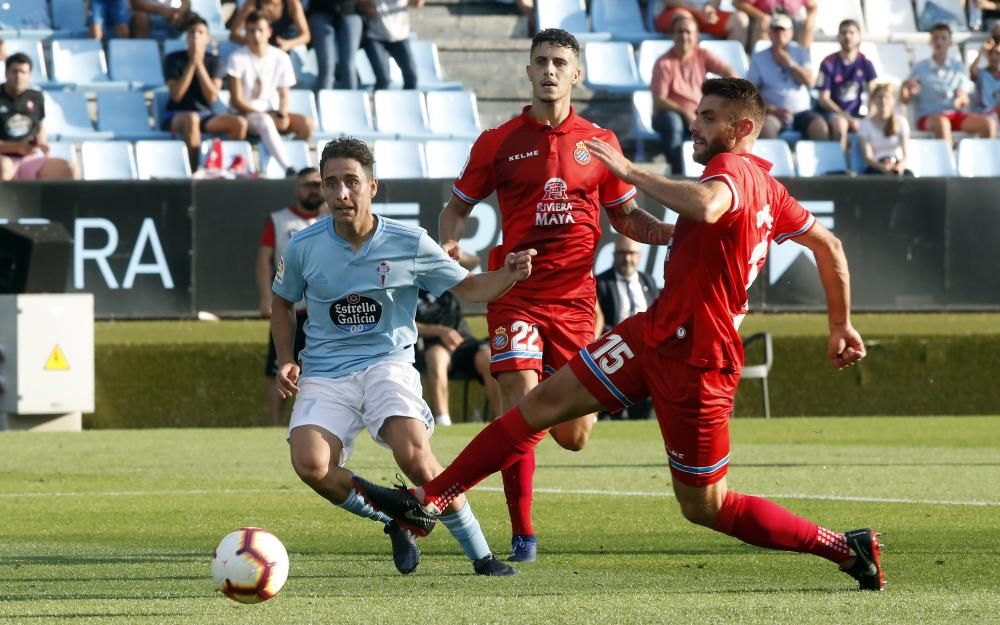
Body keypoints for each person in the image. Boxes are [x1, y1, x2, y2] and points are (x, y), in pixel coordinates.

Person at [353, 77, 885, 593]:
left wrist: (629, 169)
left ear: (742, 127)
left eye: (707, 117)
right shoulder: (771, 188)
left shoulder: (733, 169)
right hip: (651, 332)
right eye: (697, 114)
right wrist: (839, 324)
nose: (694, 125)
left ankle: (843, 547)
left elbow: (707, 205)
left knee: (705, 506)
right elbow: (829, 247)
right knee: (535, 407)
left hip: (699, 359)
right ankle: (426, 503)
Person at [437, 28, 673, 563]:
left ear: (576, 74)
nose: (549, 70)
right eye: (540, 60)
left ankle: (521, 447)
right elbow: (456, 208)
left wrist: (671, 233)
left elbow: (627, 218)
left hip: (575, 303)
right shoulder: (496, 141)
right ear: (527, 71)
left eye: (559, 62)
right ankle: (523, 535)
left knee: (573, 436)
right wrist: (450, 241)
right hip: (514, 292)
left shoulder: (601, 143)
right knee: (518, 402)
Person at [272, 137, 535, 576]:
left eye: (351, 182)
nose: (341, 193)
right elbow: (282, 302)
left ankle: (481, 555)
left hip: (387, 364)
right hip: (324, 373)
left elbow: (469, 288)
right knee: (311, 464)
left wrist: (507, 275)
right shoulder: (304, 247)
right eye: (331, 183)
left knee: (414, 456)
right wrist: (286, 356)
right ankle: (395, 516)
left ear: (373, 186)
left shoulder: (409, 242)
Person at [258, 167, 327, 425]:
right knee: (278, 366)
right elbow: (264, 259)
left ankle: (314, 421)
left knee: (320, 371)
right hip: (288, 305)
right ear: (297, 189)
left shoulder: (333, 220)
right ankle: (275, 423)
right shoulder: (279, 220)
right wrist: (266, 298)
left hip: (322, 311)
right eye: (307, 184)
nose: (313, 189)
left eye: (317, 184)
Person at [227, 11, 314, 177]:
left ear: (269, 32)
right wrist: (266, 114)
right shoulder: (236, 58)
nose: (256, 35)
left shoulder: (280, 57)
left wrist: (282, 113)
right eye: (251, 31)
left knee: (307, 124)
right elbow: (237, 100)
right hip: (245, 113)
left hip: (271, 111)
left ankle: (279, 160)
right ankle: (288, 168)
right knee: (265, 121)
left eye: (260, 30)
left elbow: (284, 94)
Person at [650, 13, 737, 174]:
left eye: (688, 32)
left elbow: (728, 71)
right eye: (680, 31)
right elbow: (659, 101)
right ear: (672, 35)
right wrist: (685, 112)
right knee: (672, 122)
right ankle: (677, 172)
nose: (684, 36)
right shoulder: (663, 63)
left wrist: (730, 90)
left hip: (699, 114)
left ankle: (719, 171)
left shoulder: (702, 54)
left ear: (696, 36)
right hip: (671, 115)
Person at [162, 15, 249, 172]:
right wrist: (191, 64)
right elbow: (176, 95)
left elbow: (212, 97)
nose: (196, 36)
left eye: (201, 32)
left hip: (205, 114)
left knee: (239, 123)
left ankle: (226, 168)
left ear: (207, 38)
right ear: (187, 37)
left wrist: (199, 64)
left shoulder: (215, 61)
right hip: (177, 115)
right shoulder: (173, 59)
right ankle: (194, 172)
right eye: (192, 32)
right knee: (192, 119)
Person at [415, 284, 502, 427]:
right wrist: (440, 331)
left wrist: (454, 260)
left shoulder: (443, 279)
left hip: (465, 342)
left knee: (488, 357)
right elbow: (404, 324)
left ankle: (501, 419)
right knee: (436, 357)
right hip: (436, 345)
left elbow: (472, 262)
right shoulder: (406, 288)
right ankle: (443, 421)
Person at [901, 23, 997, 146]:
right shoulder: (919, 68)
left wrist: (962, 98)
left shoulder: (958, 67)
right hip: (930, 117)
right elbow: (904, 99)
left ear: (950, 42)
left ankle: (985, 161)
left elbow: (965, 95)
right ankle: (949, 162)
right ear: (930, 42)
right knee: (942, 123)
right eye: (935, 38)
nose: (939, 42)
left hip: (955, 115)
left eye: (943, 38)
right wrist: (907, 90)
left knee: (988, 124)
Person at [595, 235, 658, 421]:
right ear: (613, 255)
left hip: (646, 352)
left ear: (640, 256)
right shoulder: (601, 283)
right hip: (614, 350)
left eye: (631, 253)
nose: (627, 259)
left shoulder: (649, 282)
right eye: (622, 253)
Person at [747, 13, 828, 141]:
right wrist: (772, 109)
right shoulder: (759, 57)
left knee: (820, 128)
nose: (779, 35)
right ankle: (774, 161)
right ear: (770, 33)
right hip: (775, 113)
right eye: (775, 30)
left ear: (791, 33)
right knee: (767, 128)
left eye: (783, 30)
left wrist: (790, 63)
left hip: (802, 112)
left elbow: (810, 81)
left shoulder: (800, 52)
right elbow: (751, 93)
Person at [0, 53, 77, 181]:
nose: (18, 76)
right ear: (6, 73)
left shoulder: (36, 97)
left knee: (70, 168)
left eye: (23, 72)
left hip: (29, 158)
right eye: (14, 71)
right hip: (3, 157)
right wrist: (17, 148)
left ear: (29, 75)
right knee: (4, 167)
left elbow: (39, 125)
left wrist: (41, 142)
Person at [815, 19, 877, 154]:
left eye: (851, 32)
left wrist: (869, 117)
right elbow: (823, 99)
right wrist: (846, 117)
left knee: (874, 125)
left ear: (859, 36)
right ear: (838, 36)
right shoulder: (828, 63)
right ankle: (841, 167)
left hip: (856, 113)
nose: (847, 36)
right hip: (833, 113)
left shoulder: (865, 63)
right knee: (840, 125)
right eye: (843, 32)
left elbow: (875, 93)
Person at [359, 0, 423, 90]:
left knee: (411, 76)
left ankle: (408, 102)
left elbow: (417, 4)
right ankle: (379, 102)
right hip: (376, 36)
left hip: (400, 36)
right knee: (384, 79)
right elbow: (364, 6)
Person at [857, 83, 912, 176]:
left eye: (886, 97)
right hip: (875, 167)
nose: (883, 100)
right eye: (879, 97)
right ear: (874, 100)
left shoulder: (902, 122)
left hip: (896, 165)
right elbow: (867, 157)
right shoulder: (865, 124)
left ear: (893, 99)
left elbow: (906, 155)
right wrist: (883, 168)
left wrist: (900, 167)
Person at [307, 0, 363, 90]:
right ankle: (322, 102)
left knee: (348, 66)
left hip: (350, 11)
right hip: (321, 10)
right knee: (327, 67)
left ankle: (352, 102)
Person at [652, 0, 749, 44]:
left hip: (702, 15)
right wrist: (697, 11)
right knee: (686, 22)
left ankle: (730, 76)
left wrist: (710, 9)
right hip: (672, 13)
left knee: (740, 20)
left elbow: (714, 2)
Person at [230, 0, 311, 52]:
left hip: (288, 50)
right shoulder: (252, 3)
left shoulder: (292, 3)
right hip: (260, 51)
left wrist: (288, 44)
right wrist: (253, 43)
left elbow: (306, 35)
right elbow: (234, 34)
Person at [733, 0, 817, 50]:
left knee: (808, 27)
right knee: (763, 24)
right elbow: (737, 2)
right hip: (766, 19)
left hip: (790, 21)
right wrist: (761, 16)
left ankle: (803, 63)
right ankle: (761, 64)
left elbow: (813, 6)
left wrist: (809, 21)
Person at [976, 41, 1000, 118]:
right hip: (984, 114)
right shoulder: (981, 73)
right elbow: (972, 70)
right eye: (990, 53)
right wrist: (982, 51)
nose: (994, 57)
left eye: (997, 53)